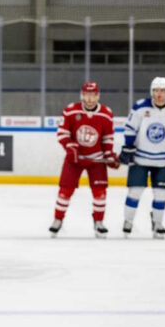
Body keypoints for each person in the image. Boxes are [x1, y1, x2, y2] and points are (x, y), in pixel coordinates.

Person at [120, 77, 165, 238]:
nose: (159, 94)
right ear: (152, 91)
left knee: (161, 194)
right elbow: (130, 129)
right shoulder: (139, 107)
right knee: (134, 193)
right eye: (156, 90)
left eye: (163, 91)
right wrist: (128, 147)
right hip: (140, 159)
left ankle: (158, 224)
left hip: (163, 161)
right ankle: (128, 221)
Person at [49, 81, 119, 238]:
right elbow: (62, 133)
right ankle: (58, 220)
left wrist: (108, 154)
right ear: (82, 95)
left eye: (93, 95)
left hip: (96, 159)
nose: (89, 99)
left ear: (98, 96)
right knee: (65, 191)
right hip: (74, 158)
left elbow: (108, 137)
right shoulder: (71, 110)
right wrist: (70, 146)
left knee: (100, 192)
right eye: (86, 95)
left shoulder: (106, 113)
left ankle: (99, 222)